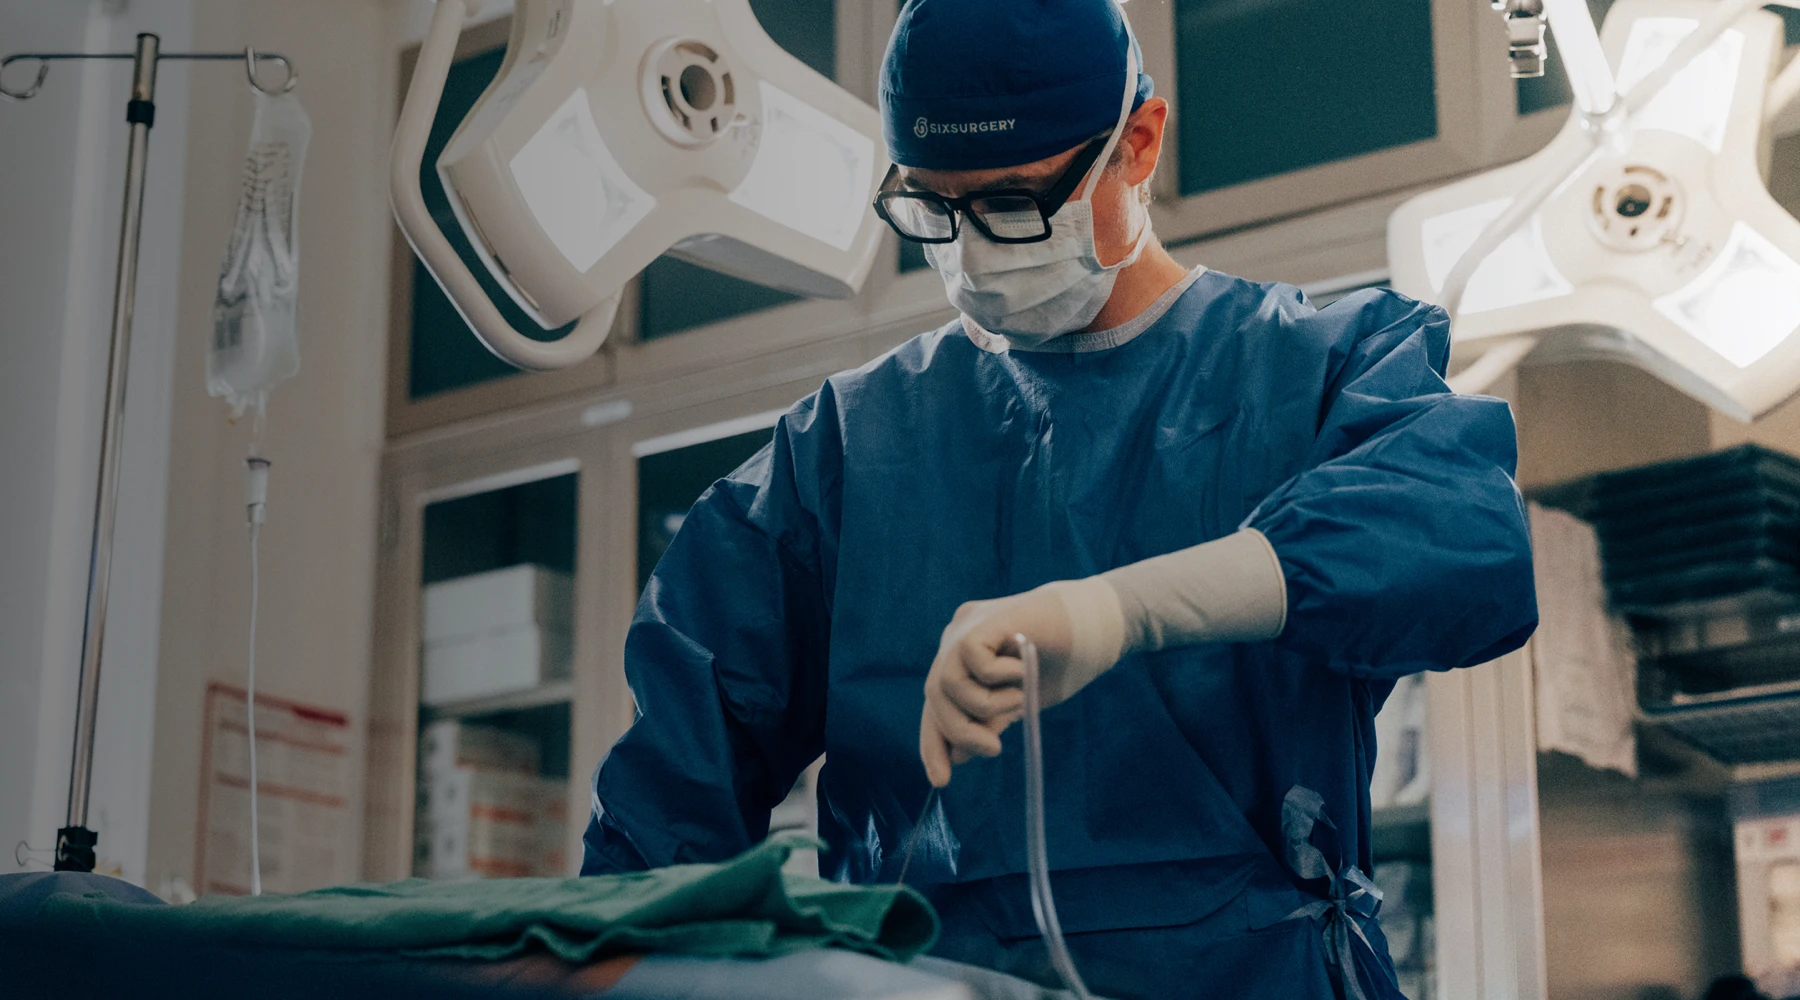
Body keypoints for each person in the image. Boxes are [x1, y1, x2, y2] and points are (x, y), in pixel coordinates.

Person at [581, 1, 1538, 996]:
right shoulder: (843, 454)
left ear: (1138, 143)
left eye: (1011, 203)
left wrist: (1123, 608)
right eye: (935, 210)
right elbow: (665, 817)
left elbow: (1465, 541)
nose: (973, 248)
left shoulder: (1308, 371)